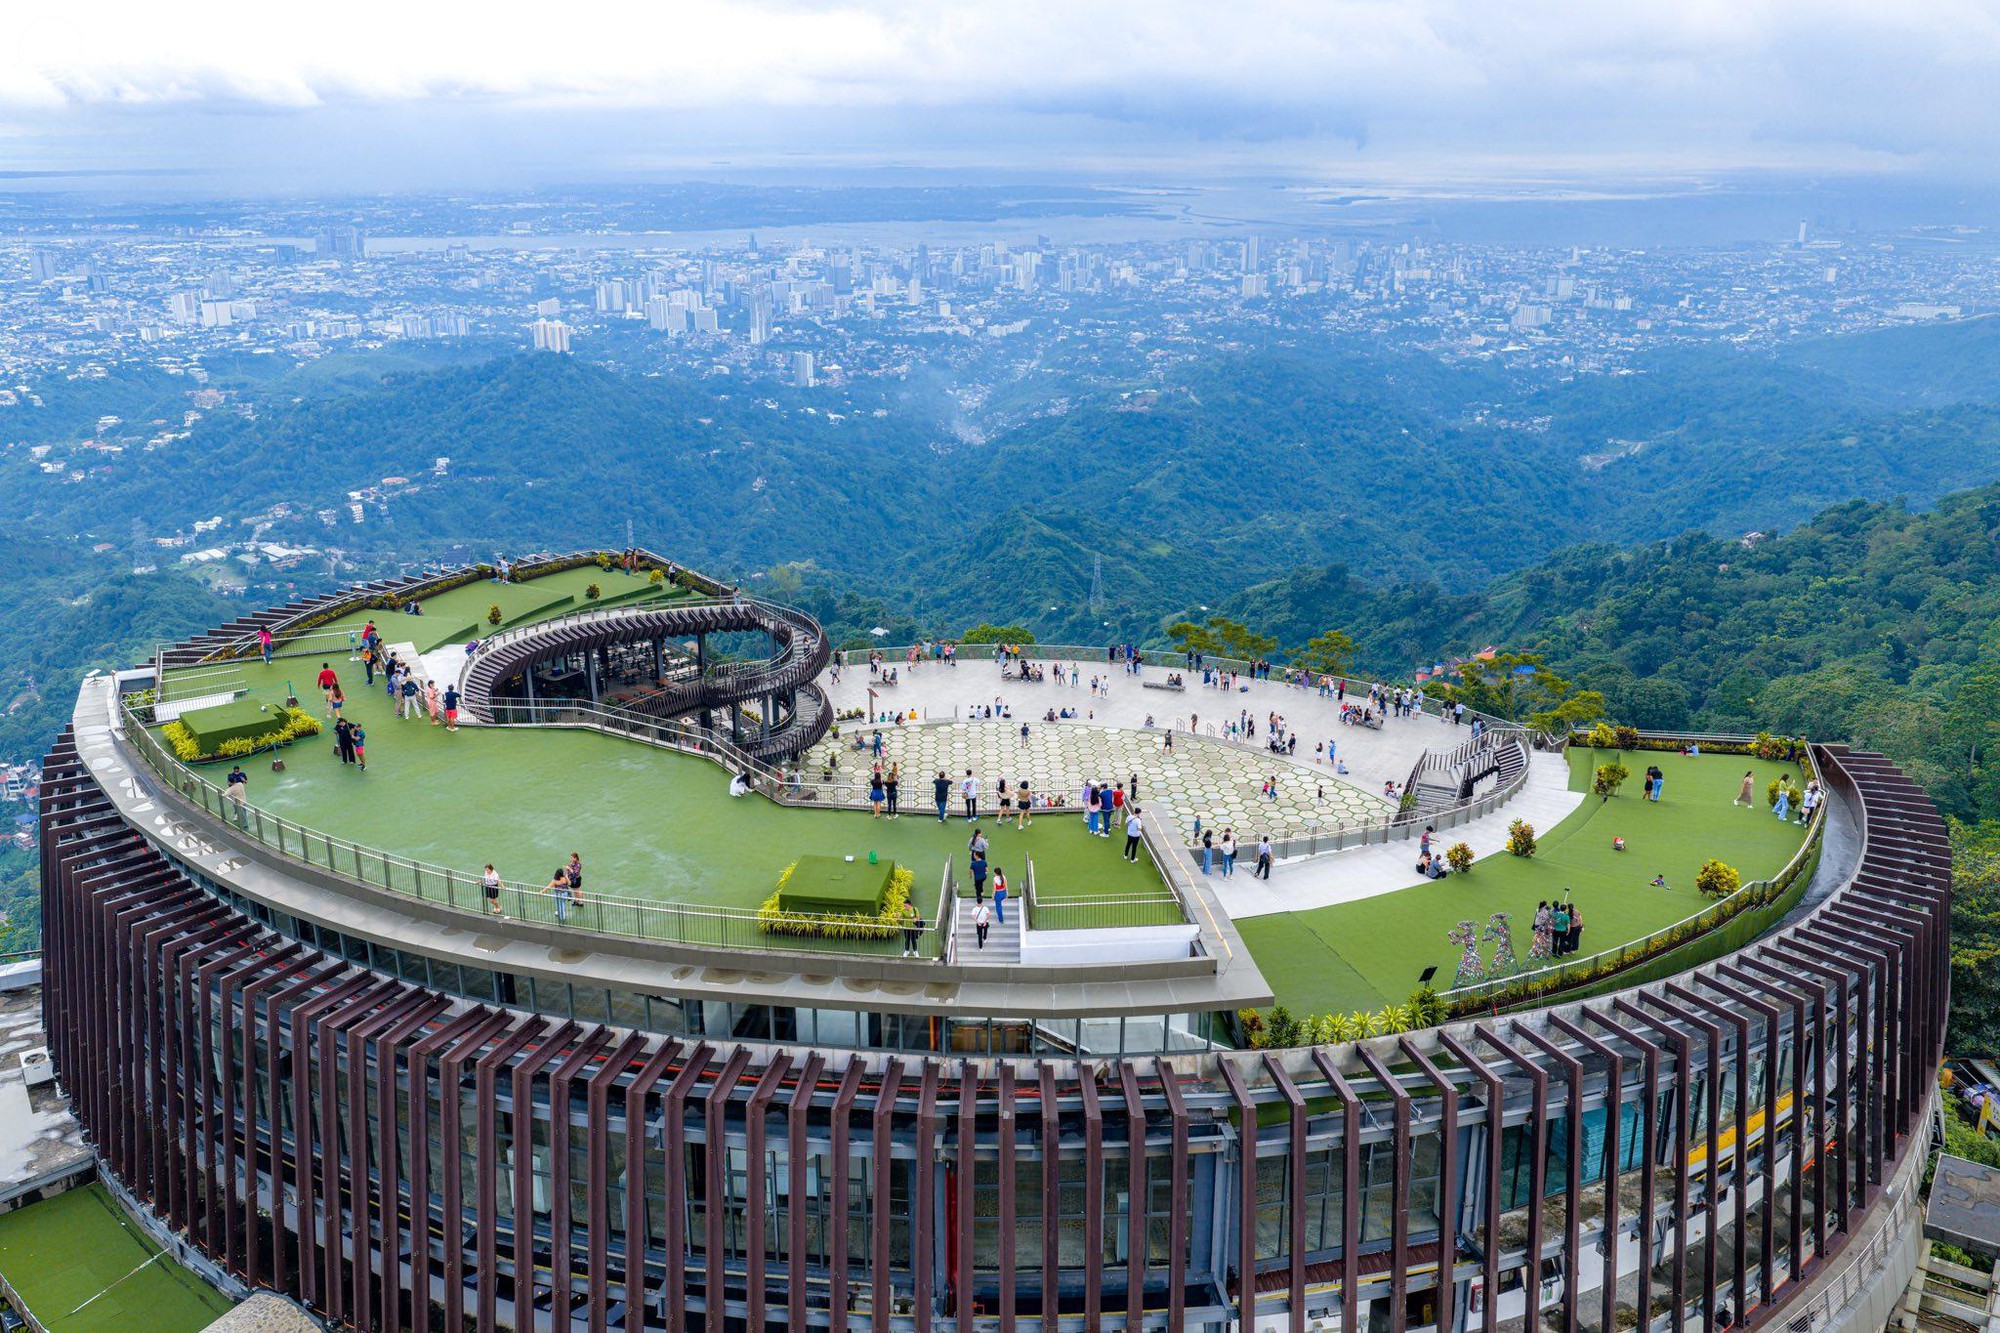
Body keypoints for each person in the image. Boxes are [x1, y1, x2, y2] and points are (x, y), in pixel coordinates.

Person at [224, 762, 249, 827]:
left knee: (241, 806)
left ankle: (244, 823)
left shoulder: (242, 774)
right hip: (234, 790)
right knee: (236, 805)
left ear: (239, 770)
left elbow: (245, 782)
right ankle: (237, 815)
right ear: (233, 770)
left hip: (239, 789)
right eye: (235, 771)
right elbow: (228, 782)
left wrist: (243, 780)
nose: (236, 772)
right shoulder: (230, 775)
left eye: (237, 771)